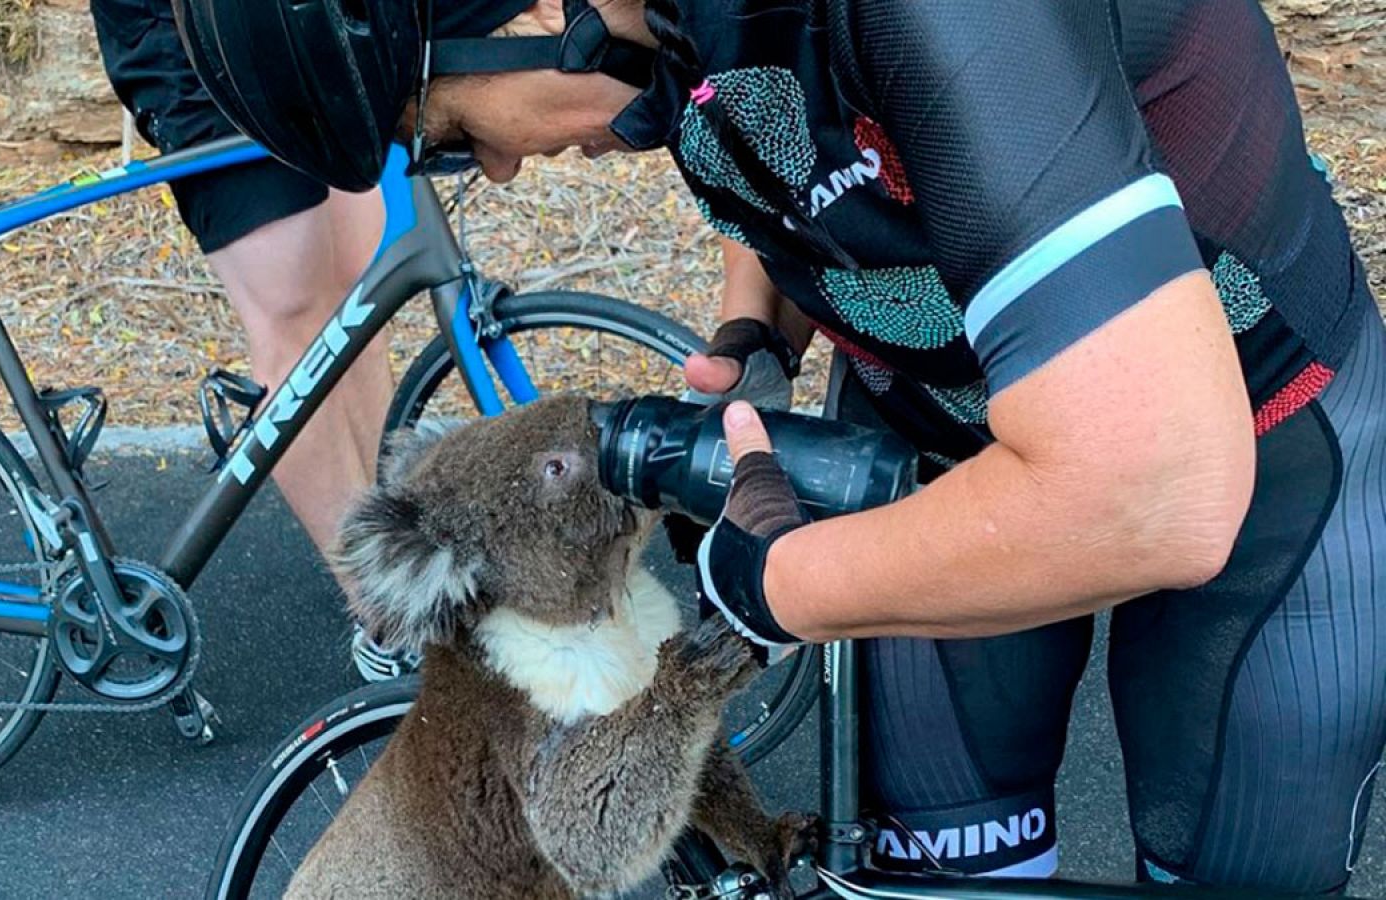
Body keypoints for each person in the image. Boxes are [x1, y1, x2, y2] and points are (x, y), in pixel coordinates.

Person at [176, 0, 1386, 892]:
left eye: (444, 133)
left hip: (1266, 447)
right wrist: (758, 322)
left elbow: (1154, 490)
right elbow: (779, 128)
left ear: (532, 11)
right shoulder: (659, 29)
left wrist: (769, 591)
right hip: (924, 430)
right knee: (937, 881)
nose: (490, 164)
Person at [89, 0, 412, 680]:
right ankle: (384, 615)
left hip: (295, 20)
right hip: (185, 34)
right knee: (291, 318)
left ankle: (397, 560)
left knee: (359, 294)